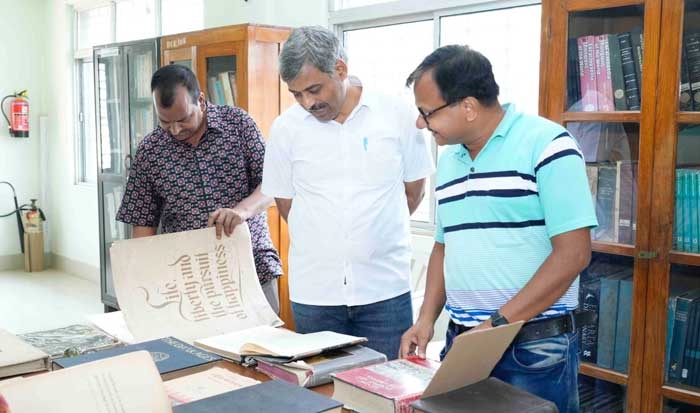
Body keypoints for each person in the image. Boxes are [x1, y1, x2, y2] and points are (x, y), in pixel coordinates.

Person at [399, 44, 597, 413]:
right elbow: (445, 246)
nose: (420, 124)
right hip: (466, 342)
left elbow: (574, 254)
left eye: (427, 113)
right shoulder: (452, 159)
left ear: (469, 107)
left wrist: (496, 324)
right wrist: (426, 319)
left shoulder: (549, 145)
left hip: (532, 347)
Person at [261, 26, 434, 359]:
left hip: (384, 291)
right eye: (297, 94)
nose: (307, 102)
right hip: (315, 294)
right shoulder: (286, 128)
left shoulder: (396, 115)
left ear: (340, 69)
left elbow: (413, 192)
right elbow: (287, 204)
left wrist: (371, 235)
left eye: (314, 89)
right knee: (322, 399)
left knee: (385, 395)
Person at [116, 64, 282, 312]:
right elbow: (143, 222)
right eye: (165, 122)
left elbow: (273, 183)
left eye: (183, 119)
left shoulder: (238, 125)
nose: (175, 130)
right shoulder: (151, 150)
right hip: (187, 278)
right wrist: (141, 280)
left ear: (201, 101)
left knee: (260, 346)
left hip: (250, 265)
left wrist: (242, 211)